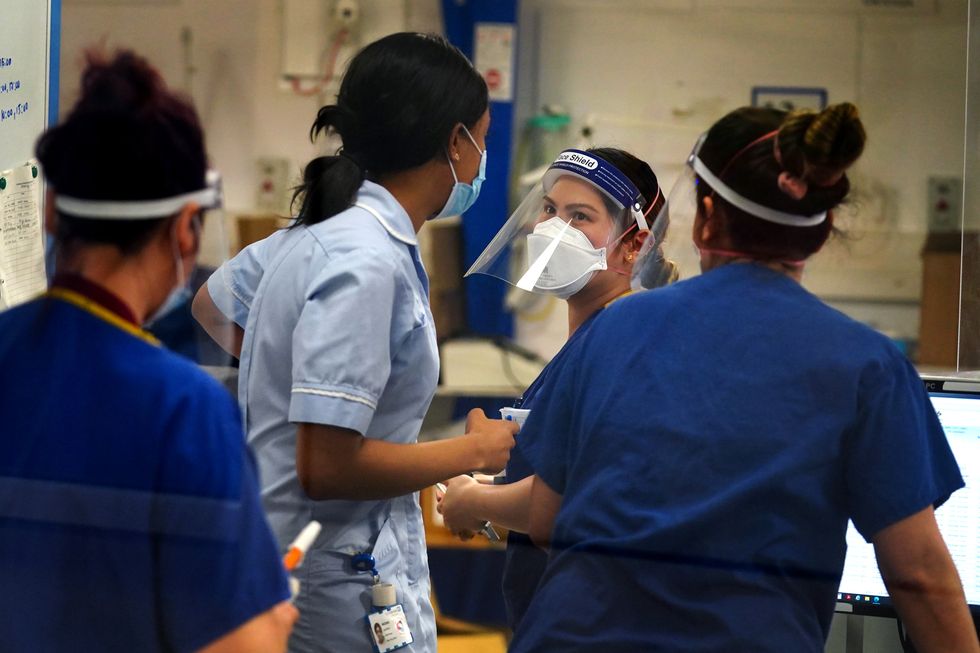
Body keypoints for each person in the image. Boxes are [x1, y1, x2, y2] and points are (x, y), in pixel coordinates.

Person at [508, 103, 980, 652]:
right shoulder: (866, 365)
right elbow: (918, 574)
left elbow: (545, 520)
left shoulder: (614, 329)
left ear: (706, 218)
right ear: (822, 234)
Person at [192, 33, 517, 653]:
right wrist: (472, 451)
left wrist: (288, 375)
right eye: (482, 138)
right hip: (334, 576)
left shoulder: (327, 232)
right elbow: (327, 465)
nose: (481, 158)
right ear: (453, 141)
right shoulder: (365, 260)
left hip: (315, 552)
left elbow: (212, 305)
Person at [0, 50, 296, 652]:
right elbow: (242, 645)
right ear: (186, 227)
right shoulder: (183, 410)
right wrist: (273, 616)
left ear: (52, 212)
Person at [437, 146, 672, 631]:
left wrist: (472, 500)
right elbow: (565, 473)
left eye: (579, 216)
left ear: (633, 245)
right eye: (549, 209)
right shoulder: (589, 341)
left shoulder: (619, 342)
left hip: (593, 623)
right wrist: (493, 483)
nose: (552, 228)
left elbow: (572, 501)